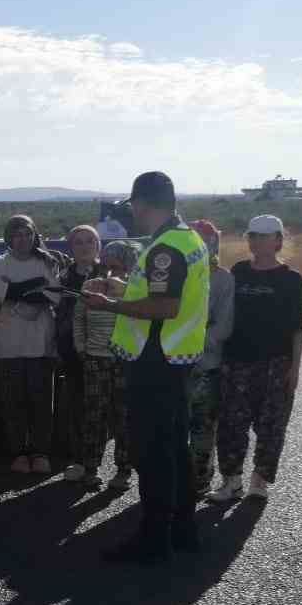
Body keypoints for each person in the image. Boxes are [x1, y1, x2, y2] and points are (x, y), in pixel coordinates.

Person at [82, 171, 210, 563]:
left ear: (142, 204)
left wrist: (110, 305)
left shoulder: (163, 249)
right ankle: (184, 530)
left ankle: (153, 540)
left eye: (133, 207)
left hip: (154, 362)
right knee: (174, 448)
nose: (131, 215)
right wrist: (123, 289)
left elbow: (164, 307)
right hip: (175, 359)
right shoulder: (189, 240)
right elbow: (167, 296)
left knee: (154, 453)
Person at [208, 215, 302, 504]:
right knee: (230, 424)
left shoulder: (291, 279)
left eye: (264, 236)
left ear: (278, 240)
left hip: (277, 363)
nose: (257, 241)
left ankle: (259, 481)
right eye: (253, 236)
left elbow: (297, 329)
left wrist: (295, 369)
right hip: (236, 361)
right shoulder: (238, 272)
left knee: (271, 426)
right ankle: (231, 481)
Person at [0, 214, 61, 474]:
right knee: (12, 402)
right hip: (7, 345)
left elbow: (55, 296)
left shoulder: (48, 262)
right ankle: (18, 453)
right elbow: (3, 293)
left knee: (41, 401)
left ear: (34, 235)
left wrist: (20, 290)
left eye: (27, 234)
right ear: (9, 237)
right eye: (17, 235)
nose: (22, 240)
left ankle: (41, 452)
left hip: (40, 343)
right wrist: (35, 288)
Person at [69, 240, 133, 489]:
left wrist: (121, 289)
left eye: (116, 267)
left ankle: (123, 470)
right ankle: (91, 466)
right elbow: (78, 319)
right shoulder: (91, 285)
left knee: (123, 416)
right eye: (106, 266)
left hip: (124, 359)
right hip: (95, 358)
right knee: (94, 414)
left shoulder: (134, 288)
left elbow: (143, 312)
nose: (110, 272)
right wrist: (81, 348)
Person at [186, 220, 234, 498]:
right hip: (173, 365)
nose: (204, 245)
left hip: (206, 364)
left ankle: (199, 480)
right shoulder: (175, 275)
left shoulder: (223, 278)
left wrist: (191, 338)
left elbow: (223, 326)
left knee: (203, 428)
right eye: (198, 239)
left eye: (209, 239)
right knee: (175, 426)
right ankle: (176, 478)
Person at [55, 225, 105, 475]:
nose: (84, 246)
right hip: (73, 351)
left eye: (89, 241)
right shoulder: (63, 277)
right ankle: (79, 459)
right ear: (71, 248)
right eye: (78, 242)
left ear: (98, 245)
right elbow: (60, 314)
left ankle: (100, 460)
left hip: (105, 351)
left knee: (101, 407)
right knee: (77, 405)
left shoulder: (108, 273)